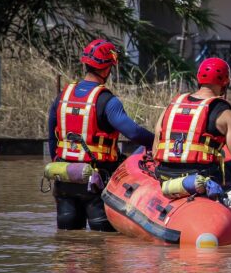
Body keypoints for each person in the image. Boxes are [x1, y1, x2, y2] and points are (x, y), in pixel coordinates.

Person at [47, 39, 154, 231]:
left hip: (64, 177)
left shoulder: (63, 95)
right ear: (106, 69)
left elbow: (51, 135)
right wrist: (156, 141)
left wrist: (59, 162)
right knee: (103, 242)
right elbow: (133, 132)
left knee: (67, 242)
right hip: (97, 180)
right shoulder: (107, 101)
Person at [152, 57, 231, 209]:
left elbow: (156, 149)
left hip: (166, 178)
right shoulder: (225, 114)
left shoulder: (171, 107)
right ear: (225, 83)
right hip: (202, 179)